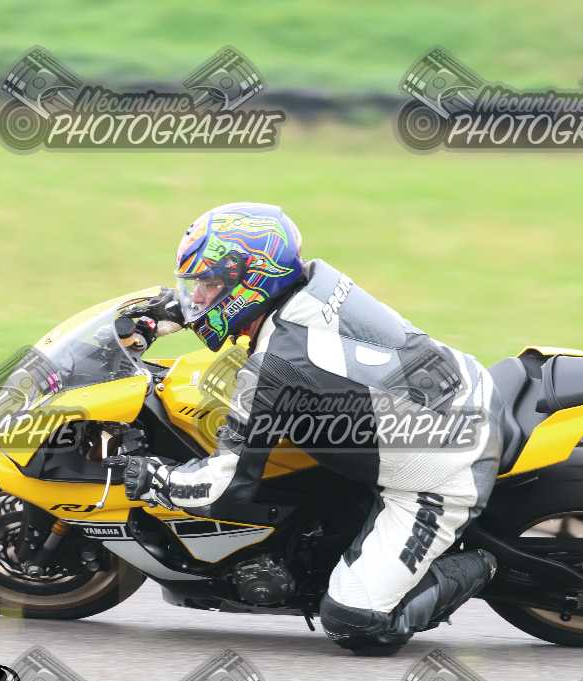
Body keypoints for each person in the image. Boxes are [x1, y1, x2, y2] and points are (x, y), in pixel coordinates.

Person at [112, 201, 501, 655]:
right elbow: (241, 311)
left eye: (209, 284)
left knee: (356, 622)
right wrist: (176, 312)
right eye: (196, 284)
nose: (197, 296)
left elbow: (224, 488)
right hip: (450, 391)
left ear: (252, 282)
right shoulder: (312, 281)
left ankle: (489, 567)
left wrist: (155, 479)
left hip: (444, 469)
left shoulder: (277, 367)